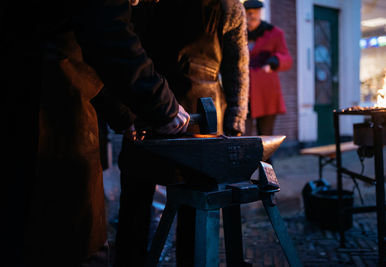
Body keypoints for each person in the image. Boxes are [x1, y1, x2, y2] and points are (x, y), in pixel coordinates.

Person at [4, 0, 189, 266]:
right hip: (47, 122)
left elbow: (84, 55)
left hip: (51, 105)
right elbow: (109, 36)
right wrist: (164, 106)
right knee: (61, 242)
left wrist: (124, 115)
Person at [115, 0, 249, 266]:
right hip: (148, 111)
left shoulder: (228, 5)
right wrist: (124, 115)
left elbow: (237, 66)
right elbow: (120, 54)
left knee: (194, 216)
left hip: (200, 117)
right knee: (136, 212)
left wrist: (235, 120)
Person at [243, 0, 292, 137]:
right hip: (244, 93)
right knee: (242, 136)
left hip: (267, 94)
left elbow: (287, 58)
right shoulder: (238, 34)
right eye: (247, 13)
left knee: (266, 137)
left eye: (254, 13)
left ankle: (266, 160)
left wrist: (274, 61)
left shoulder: (274, 33)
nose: (250, 16)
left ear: (259, 13)